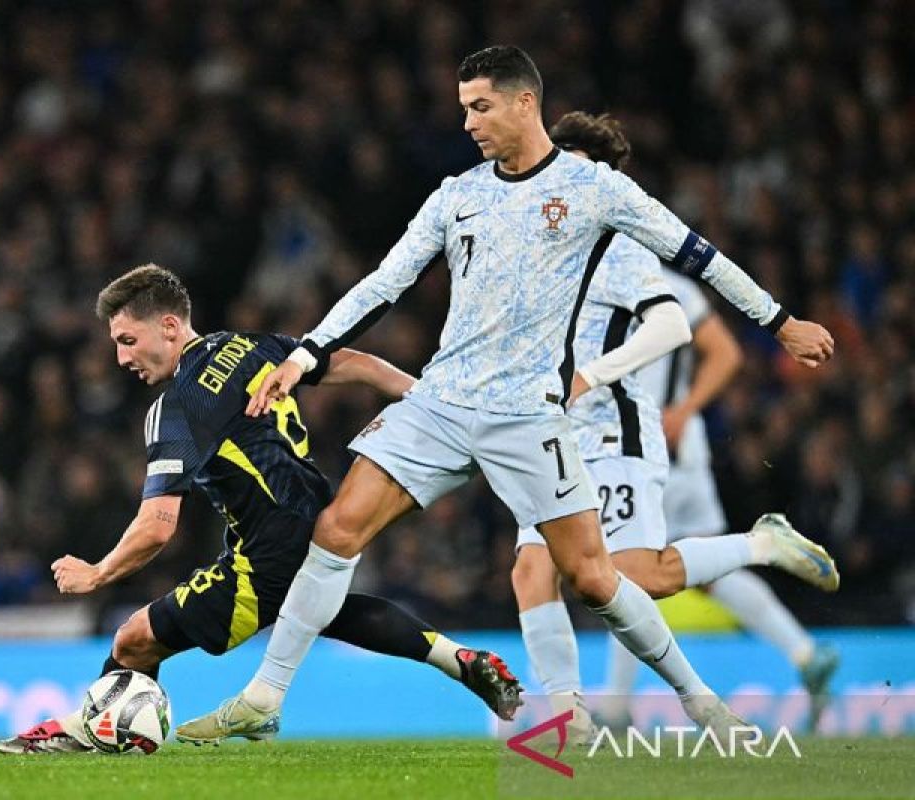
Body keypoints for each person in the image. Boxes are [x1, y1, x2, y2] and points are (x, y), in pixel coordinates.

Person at [177, 45, 834, 745]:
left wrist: (781, 321)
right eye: (463, 109)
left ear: (526, 102)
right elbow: (384, 282)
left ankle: (700, 700)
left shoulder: (595, 191)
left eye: (480, 106)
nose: (468, 123)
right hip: (442, 401)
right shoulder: (458, 195)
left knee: (593, 577)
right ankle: (265, 696)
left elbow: (697, 254)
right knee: (338, 529)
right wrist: (308, 352)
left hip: (528, 416)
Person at [0, 264, 523, 754]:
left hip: (264, 557)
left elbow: (158, 527)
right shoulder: (244, 346)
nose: (121, 358)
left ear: (171, 326)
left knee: (133, 640)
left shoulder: (177, 408)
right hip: (320, 522)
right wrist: (429, 400)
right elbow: (356, 364)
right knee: (329, 611)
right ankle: (461, 660)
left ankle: (98, 731)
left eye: (128, 341)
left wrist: (98, 573)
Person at [507, 112, 839, 745]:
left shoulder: (627, 249)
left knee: (636, 579)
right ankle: (572, 714)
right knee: (531, 570)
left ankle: (761, 546)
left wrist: (599, 381)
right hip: (553, 434)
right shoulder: (538, 247)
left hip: (618, 434)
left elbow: (688, 327)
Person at [599, 267, 841, 732]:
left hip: (640, 452)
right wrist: (685, 415)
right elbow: (726, 353)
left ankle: (615, 708)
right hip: (681, 451)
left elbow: (726, 353)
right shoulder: (675, 286)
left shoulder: (617, 284)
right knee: (709, 571)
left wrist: (679, 412)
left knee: (620, 570)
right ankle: (804, 651)